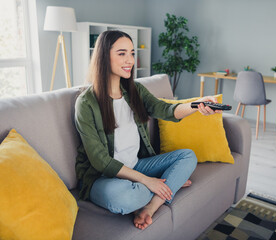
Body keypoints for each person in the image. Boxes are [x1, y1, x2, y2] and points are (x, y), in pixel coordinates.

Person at [75, 30, 222, 230]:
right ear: (103, 56)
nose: (130, 60)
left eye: (132, 53)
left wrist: (197, 105)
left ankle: (151, 207)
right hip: (102, 178)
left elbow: (167, 109)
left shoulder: (134, 90)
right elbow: (100, 161)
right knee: (133, 196)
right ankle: (166, 186)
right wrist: (149, 181)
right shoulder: (86, 103)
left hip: (135, 165)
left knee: (188, 156)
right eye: (122, 53)